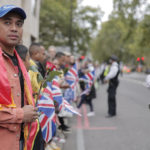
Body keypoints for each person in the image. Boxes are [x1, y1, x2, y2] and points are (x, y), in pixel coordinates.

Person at [0, 5, 39, 150]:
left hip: (21, 141)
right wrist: (20, 115)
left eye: (19, 24)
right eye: (7, 22)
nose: (14, 28)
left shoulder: (19, 62)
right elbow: (21, 112)